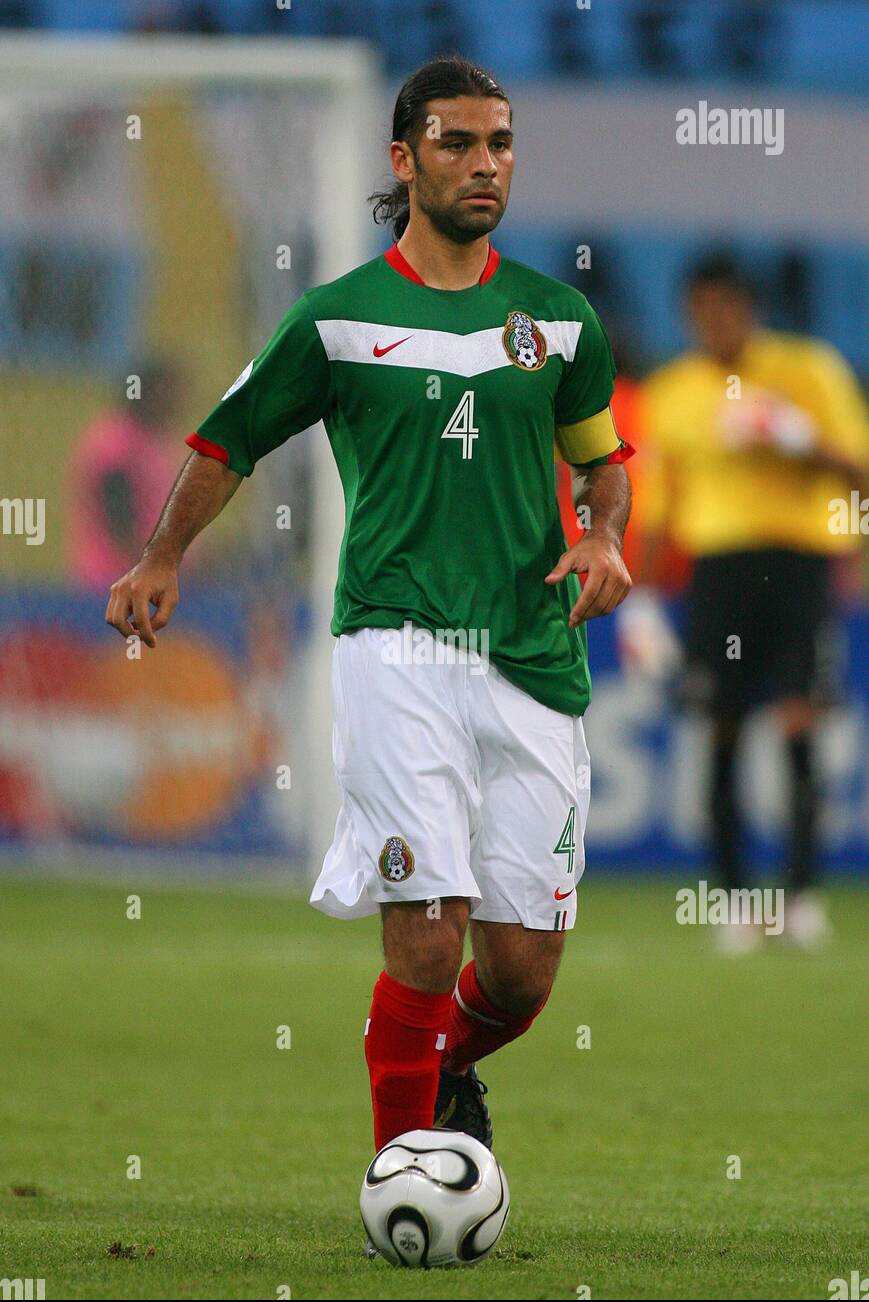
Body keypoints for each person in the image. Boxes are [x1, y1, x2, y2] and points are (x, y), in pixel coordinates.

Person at [105, 57, 633, 1199]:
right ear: (403, 159)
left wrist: (600, 534)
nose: (483, 163)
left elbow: (603, 468)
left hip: (533, 659)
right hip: (393, 647)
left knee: (522, 972)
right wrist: (161, 554)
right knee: (427, 934)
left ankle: (427, 1064)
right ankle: (398, 1179)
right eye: (455, 142)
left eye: (498, 143)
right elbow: (225, 439)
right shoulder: (336, 320)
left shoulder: (557, 318)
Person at [632, 255, 868, 951]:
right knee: (721, 731)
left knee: (799, 724)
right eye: (702, 310)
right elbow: (654, 505)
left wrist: (797, 438)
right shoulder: (671, 392)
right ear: (687, 315)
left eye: (727, 307)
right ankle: (734, 904)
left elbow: (858, 470)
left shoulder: (807, 370)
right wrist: (641, 599)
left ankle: (799, 899)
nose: (716, 322)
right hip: (717, 573)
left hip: (796, 565)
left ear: (751, 307)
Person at [68, 358, 184, 591]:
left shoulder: (156, 441)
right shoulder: (116, 443)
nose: (176, 403)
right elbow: (119, 525)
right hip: (112, 582)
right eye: (167, 393)